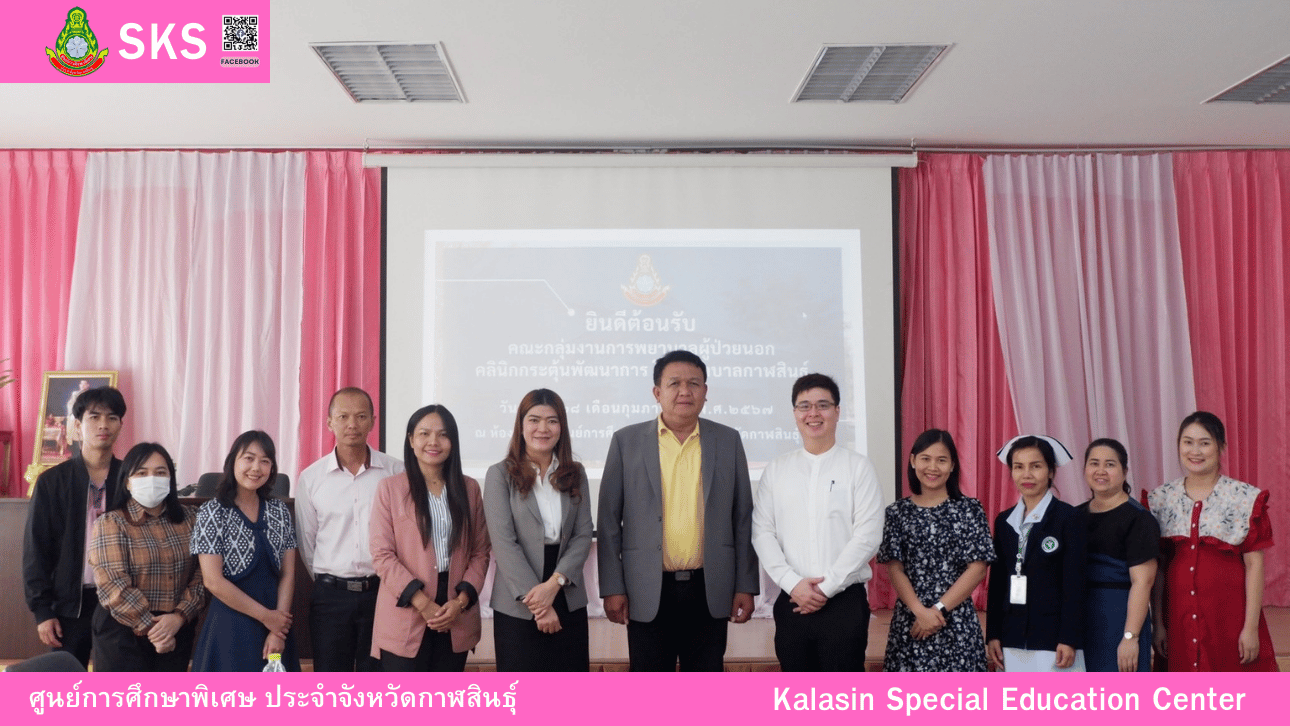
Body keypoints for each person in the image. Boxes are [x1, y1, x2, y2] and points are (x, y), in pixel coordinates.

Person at [597, 350, 758, 671]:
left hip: (709, 587)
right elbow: (608, 522)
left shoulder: (727, 441)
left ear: (705, 392)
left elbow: (742, 519)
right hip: (646, 590)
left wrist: (745, 584)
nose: (685, 391)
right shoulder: (626, 442)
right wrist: (612, 587)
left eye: (694, 384)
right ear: (657, 392)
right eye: (674, 383)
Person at [751, 373, 883, 671]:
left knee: (842, 702)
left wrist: (826, 588)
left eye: (823, 405)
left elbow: (868, 535)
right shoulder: (777, 470)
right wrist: (792, 583)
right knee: (798, 702)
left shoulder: (858, 468)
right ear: (795, 414)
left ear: (837, 412)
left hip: (844, 602)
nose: (813, 413)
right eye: (804, 406)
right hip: (792, 599)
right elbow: (762, 532)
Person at [1147, 412, 1276, 671]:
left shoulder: (1244, 498)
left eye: (1205, 443)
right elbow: (1158, 569)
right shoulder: (1160, 499)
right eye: (1188, 442)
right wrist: (1159, 624)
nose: (1195, 451)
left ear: (1221, 448)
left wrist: (1250, 628)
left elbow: (1254, 567)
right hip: (1178, 622)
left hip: (1229, 620)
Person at [369, 405, 490, 671]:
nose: (433, 442)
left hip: (455, 611)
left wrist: (460, 603)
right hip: (406, 609)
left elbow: (480, 552)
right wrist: (422, 603)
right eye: (424, 434)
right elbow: (382, 554)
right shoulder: (390, 489)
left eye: (443, 435)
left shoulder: (469, 488)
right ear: (411, 440)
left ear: (453, 442)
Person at [296, 387, 404, 671]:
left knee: (377, 682)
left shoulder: (396, 473)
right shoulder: (311, 478)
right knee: (331, 681)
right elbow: (308, 543)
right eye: (343, 416)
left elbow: (405, 538)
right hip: (331, 598)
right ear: (330, 422)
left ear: (373, 421)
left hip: (382, 593)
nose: (352, 424)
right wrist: (331, 579)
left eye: (360, 416)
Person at [484, 389, 593, 671]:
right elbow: (504, 543)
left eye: (552, 421)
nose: (542, 429)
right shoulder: (499, 475)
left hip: (565, 592)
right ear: (521, 426)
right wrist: (540, 604)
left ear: (562, 427)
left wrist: (554, 584)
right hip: (518, 602)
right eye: (534, 420)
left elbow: (583, 535)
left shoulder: (576, 473)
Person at [23, 386, 127, 667]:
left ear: (120, 425)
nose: (104, 424)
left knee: (118, 686)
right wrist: (42, 611)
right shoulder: (52, 482)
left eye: (112, 417)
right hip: (70, 604)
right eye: (94, 417)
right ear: (78, 426)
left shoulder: (130, 478)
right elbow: (37, 550)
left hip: (122, 603)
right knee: (67, 686)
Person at [878, 428, 994, 672]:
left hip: (956, 621)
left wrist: (937, 611)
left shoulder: (969, 509)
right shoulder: (897, 512)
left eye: (942, 460)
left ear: (952, 465)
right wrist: (920, 612)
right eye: (925, 459)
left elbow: (977, 569)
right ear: (912, 461)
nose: (933, 467)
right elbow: (895, 569)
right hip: (911, 622)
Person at [88, 442, 206, 671]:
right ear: (127, 482)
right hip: (123, 630)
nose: (151, 479)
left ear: (171, 481)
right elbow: (113, 585)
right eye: (141, 473)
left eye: (160, 472)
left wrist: (179, 617)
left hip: (177, 627)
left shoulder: (192, 519)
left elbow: (205, 574)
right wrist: (155, 631)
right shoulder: (111, 523)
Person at [190, 431, 299, 671]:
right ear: (233, 463)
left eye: (265, 461)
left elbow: (288, 574)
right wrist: (266, 617)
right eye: (248, 458)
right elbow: (213, 581)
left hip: (275, 624)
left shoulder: (279, 511)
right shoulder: (212, 512)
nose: (256, 467)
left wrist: (278, 629)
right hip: (230, 628)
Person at [985, 434, 1086, 672]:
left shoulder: (1068, 519)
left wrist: (1069, 638)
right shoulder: (1004, 521)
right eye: (1018, 467)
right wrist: (993, 634)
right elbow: (997, 583)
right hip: (1012, 636)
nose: (1026, 474)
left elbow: (1075, 585)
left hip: (1054, 641)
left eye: (1036, 466)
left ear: (1051, 471)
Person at [1078, 438, 1158, 672]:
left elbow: (1143, 582)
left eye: (1110, 464)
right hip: (1082, 621)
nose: (1101, 471)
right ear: (1085, 470)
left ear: (1124, 472)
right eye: (1094, 463)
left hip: (1119, 619)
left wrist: (1130, 637)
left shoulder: (1139, 519)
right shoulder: (1074, 516)